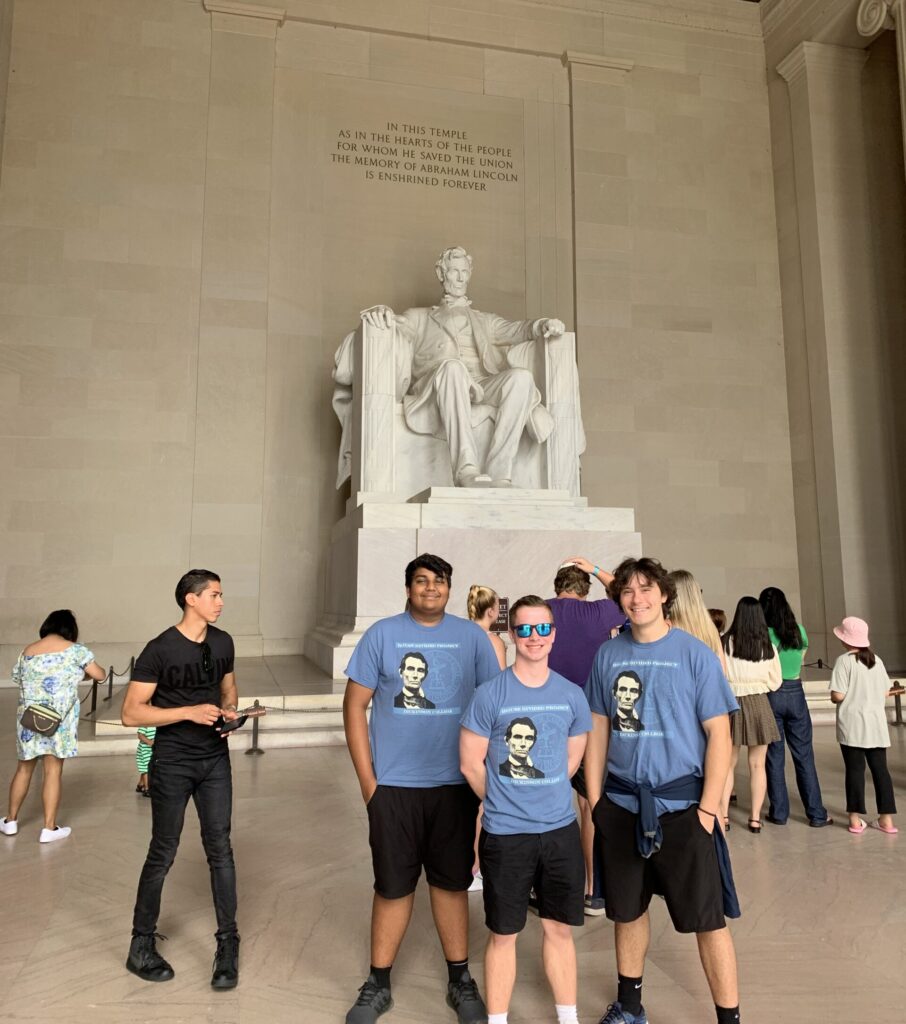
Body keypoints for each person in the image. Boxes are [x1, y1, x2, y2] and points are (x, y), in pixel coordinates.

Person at [342, 553, 500, 1024]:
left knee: (452, 884)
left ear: (450, 589)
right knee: (392, 886)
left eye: (440, 581)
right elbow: (354, 708)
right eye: (422, 580)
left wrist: (484, 783)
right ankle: (378, 982)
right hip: (394, 787)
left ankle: (459, 978)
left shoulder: (472, 638)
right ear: (408, 587)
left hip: (454, 786)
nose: (431, 588)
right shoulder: (382, 635)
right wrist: (370, 784)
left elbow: (493, 708)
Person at [584, 557, 741, 1024]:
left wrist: (710, 808)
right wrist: (595, 801)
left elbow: (720, 734)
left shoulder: (694, 654)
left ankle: (729, 1018)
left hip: (684, 809)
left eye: (646, 588)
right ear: (619, 600)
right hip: (623, 804)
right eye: (628, 591)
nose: (637, 598)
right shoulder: (608, 655)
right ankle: (630, 1008)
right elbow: (597, 727)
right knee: (626, 913)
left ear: (664, 594)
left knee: (708, 920)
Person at [460, 595, 591, 1024]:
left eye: (542, 629)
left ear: (553, 634)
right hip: (506, 833)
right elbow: (469, 761)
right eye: (525, 629)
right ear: (512, 634)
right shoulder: (489, 694)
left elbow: (569, 764)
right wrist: (503, 799)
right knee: (503, 933)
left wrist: (541, 794)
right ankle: (497, 1019)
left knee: (559, 929)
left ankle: (567, 1017)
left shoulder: (572, 695)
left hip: (559, 832)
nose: (534, 638)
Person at [121, 570, 241, 990]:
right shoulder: (160, 649)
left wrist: (229, 714)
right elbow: (131, 712)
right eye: (213, 595)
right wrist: (187, 712)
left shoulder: (223, 641)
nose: (220, 601)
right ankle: (140, 944)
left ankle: (228, 945)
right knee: (163, 850)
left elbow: (229, 690)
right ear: (190, 599)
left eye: (221, 595)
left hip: (214, 761)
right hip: (171, 763)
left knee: (220, 848)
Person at [358, 246, 566, 486]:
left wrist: (544, 324)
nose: (460, 278)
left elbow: (519, 329)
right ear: (441, 274)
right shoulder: (420, 317)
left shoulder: (485, 320)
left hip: (480, 385)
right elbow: (395, 322)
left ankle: (500, 474)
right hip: (439, 385)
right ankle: (466, 469)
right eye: (454, 271)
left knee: (521, 378)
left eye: (464, 272)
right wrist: (381, 312)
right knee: (453, 368)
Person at [547, 556, 624, 916]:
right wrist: (593, 566)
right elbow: (624, 590)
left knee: (543, 798)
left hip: (547, 712)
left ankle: (546, 885)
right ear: (586, 588)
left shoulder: (543, 609)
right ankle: (594, 889)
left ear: (557, 587)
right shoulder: (599, 612)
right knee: (588, 802)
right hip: (589, 714)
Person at [0, 610, 106, 843]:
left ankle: (10, 820)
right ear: (70, 629)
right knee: (53, 771)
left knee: (24, 769)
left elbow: (18, 678)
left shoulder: (27, 650)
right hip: (59, 722)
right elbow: (100, 675)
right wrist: (77, 675)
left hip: (28, 719)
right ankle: (49, 828)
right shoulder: (76, 650)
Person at [758, 587, 831, 827]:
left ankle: (779, 813)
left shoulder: (761, 634)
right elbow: (802, 655)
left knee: (774, 757)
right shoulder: (797, 631)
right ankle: (817, 814)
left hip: (771, 694)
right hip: (796, 692)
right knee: (804, 757)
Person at [828, 616, 899, 835]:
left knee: (855, 771)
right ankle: (886, 820)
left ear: (844, 639)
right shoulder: (876, 660)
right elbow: (886, 691)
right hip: (876, 725)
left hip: (852, 726)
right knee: (881, 771)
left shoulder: (844, 661)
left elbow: (838, 695)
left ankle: (855, 819)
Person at [719, 597, 782, 833]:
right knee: (758, 765)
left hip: (730, 703)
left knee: (727, 764)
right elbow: (776, 682)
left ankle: (723, 816)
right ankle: (754, 819)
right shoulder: (767, 646)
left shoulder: (724, 643)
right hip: (759, 703)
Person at [467, 585, 507, 670]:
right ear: (491, 612)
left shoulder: (460, 635)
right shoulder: (494, 641)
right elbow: (500, 680)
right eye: (498, 606)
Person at [135, 726, 156, 797]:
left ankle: (140, 784)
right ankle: (147, 788)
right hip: (144, 750)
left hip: (153, 750)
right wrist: (149, 742)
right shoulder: (145, 722)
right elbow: (140, 735)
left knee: (147, 767)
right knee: (146, 769)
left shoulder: (158, 722)